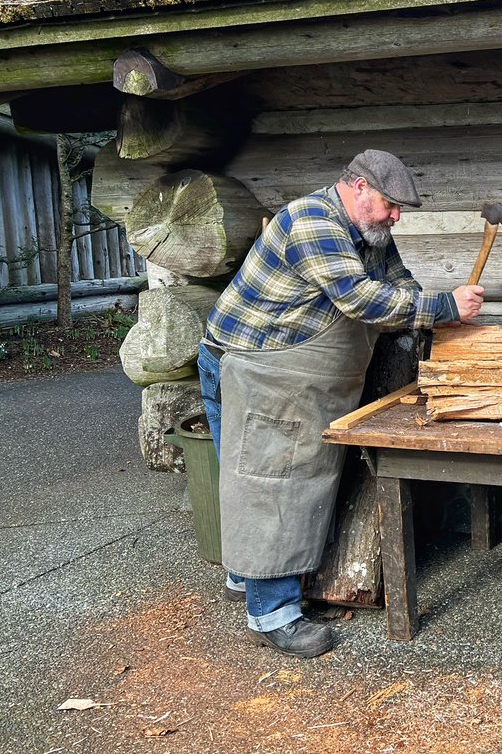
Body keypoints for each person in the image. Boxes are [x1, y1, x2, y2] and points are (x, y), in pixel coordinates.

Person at [197, 149, 484, 658]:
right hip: (258, 368)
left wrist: (430, 316)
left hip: (289, 370)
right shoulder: (312, 221)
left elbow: (397, 286)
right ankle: (273, 615)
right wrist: (442, 307)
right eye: (390, 204)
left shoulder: (370, 233)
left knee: (257, 481)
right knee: (270, 484)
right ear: (356, 188)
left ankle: (250, 582)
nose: (396, 216)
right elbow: (358, 298)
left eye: (400, 209)